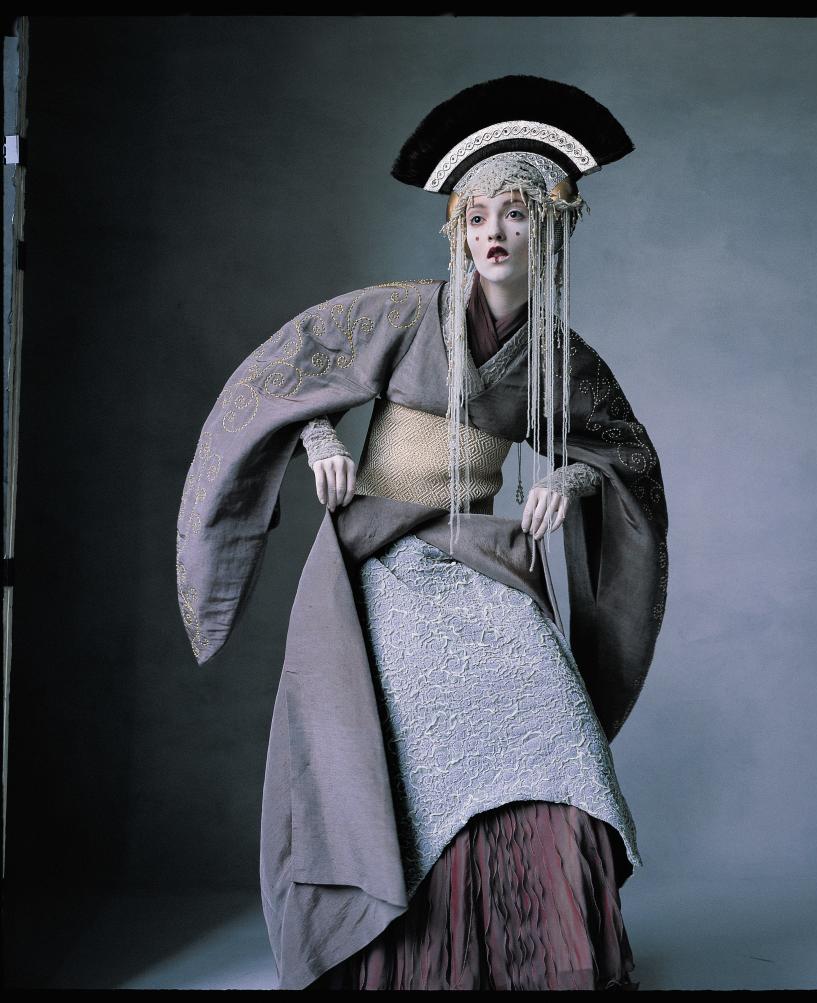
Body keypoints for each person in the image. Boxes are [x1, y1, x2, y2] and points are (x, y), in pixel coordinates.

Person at [175, 75, 669, 991]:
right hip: (384, 559)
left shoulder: (558, 355)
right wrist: (321, 436)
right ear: (454, 228)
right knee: (428, 741)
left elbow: (625, 459)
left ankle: (539, 958)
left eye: (516, 214)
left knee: (556, 736)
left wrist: (565, 472)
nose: (493, 233)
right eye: (477, 214)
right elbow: (281, 385)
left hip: (481, 558)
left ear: (553, 228)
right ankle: (418, 959)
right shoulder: (400, 315)